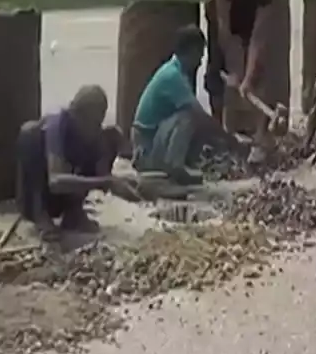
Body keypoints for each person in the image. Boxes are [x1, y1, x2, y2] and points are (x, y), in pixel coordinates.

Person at [15, 85, 139, 240]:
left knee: (110, 136)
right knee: (29, 133)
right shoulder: (57, 125)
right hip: (44, 192)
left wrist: (124, 185)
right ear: (76, 114)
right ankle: (41, 215)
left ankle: (74, 212)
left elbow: (102, 175)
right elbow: (56, 181)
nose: (96, 127)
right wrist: (106, 182)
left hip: (64, 194)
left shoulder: (91, 133)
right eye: (93, 121)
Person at [132, 25, 229, 185]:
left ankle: (184, 162)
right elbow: (199, 114)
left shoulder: (176, 71)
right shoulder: (172, 76)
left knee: (196, 121)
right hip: (146, 150)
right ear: (192, 51)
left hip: (154, 140)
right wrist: (228, 139)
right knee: (189, 116)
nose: (200, 61)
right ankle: (174, 167)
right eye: (200, 54)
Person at [204, 0, 279, 126]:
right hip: (222, 21)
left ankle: (251, 127)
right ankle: (218, 123)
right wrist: (233, 68)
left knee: (254, 75)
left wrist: (248, 76)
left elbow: (258, 37)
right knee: (218, 72)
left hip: (247, 25)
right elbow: (223, 24)